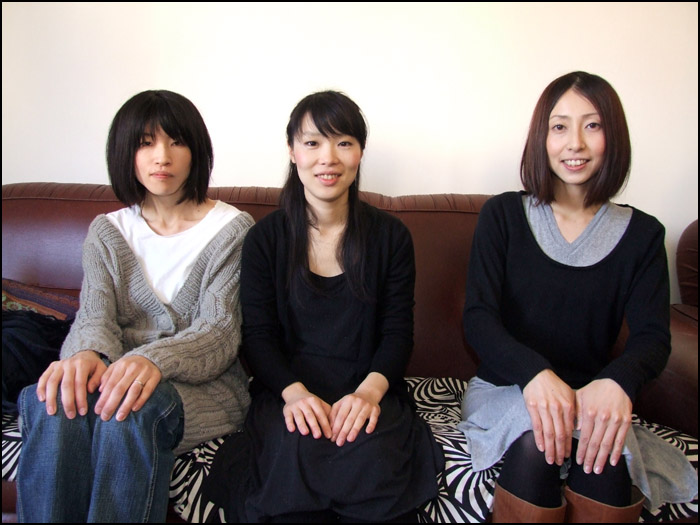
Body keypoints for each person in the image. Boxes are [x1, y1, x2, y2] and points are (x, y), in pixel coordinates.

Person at [459, 71, 697, 523]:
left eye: (593, 125)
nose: (576, 143)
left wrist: (617, 383)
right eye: (560, 127)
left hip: (591, 400)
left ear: (613, 136)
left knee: (604, 462)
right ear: (542, 137)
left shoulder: (643, 235)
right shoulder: (503, 215)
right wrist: (535, 374)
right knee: (538, 446)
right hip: (509, 389)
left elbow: (652, 338)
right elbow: (479, 318)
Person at [16, 89, 254, 523]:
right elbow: (94, 317)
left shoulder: (232, 229)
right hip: (115, 378)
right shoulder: (107, 232)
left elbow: (218, 333)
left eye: (176, 141)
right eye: (146, 143)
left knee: (129, 408)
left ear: (196, 150)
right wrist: (86, 354)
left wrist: (149, 361)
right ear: (126, 152)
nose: (162, 156)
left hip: (204, 388)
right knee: (50, 400)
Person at [236, 90, 443, 522]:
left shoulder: (391, 237)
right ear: (292, 151)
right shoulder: (264, 240)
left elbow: (397, 333)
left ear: (360, 152)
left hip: (367, 387)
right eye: (312, 142)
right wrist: (294, 394)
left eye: (343, 142)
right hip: (288, 390)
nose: (327, 158)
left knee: (372, 460)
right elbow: (257, 337)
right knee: (290, 458)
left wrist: (368, 394)